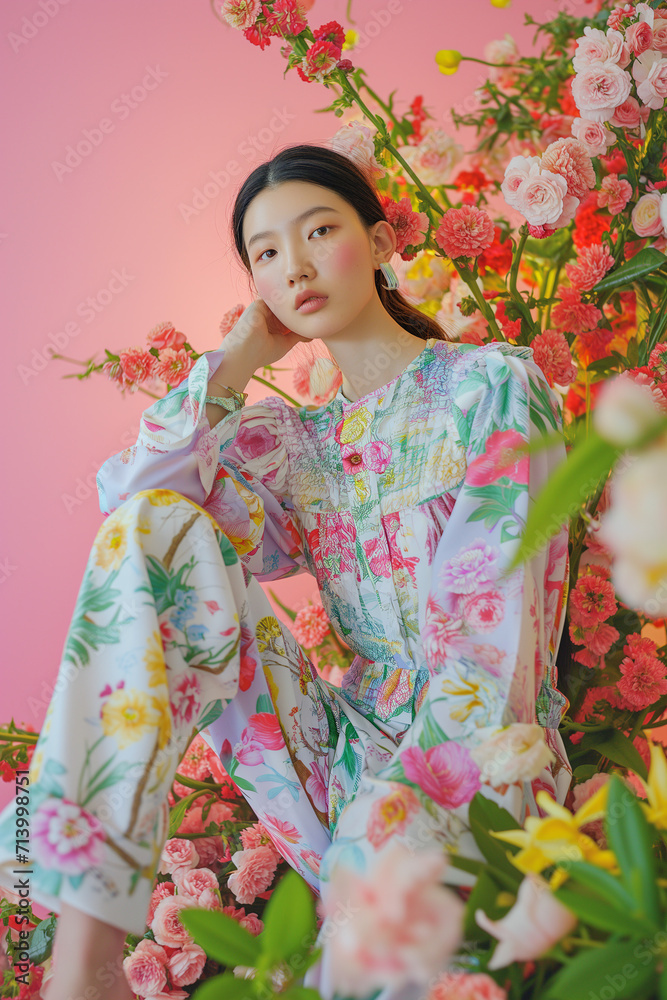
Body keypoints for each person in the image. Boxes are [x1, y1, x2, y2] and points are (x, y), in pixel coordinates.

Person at [0, 142, 572, 1000]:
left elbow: (493, 642)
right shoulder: (288, 445)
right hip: (336, 750)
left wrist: (390, 819)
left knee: (372, 913)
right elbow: (133, 501)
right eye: (265, 253)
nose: (294, 266)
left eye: (318, 231)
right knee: (155, 527)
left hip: (485, 751)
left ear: (380, 242)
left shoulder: (491, 388)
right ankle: (84, 961)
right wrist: (234, 363)